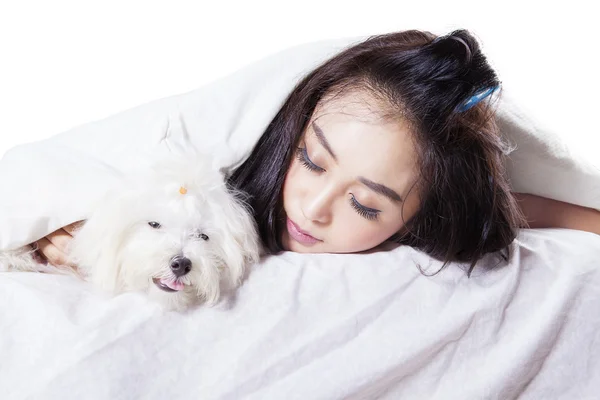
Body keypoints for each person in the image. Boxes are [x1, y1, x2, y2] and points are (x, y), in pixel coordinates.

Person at [32, 29, 600, 274]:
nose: (312, 208)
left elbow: (519, 207)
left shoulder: (435, 216)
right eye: (310, 161)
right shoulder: (238, 158)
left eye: (367, 206)